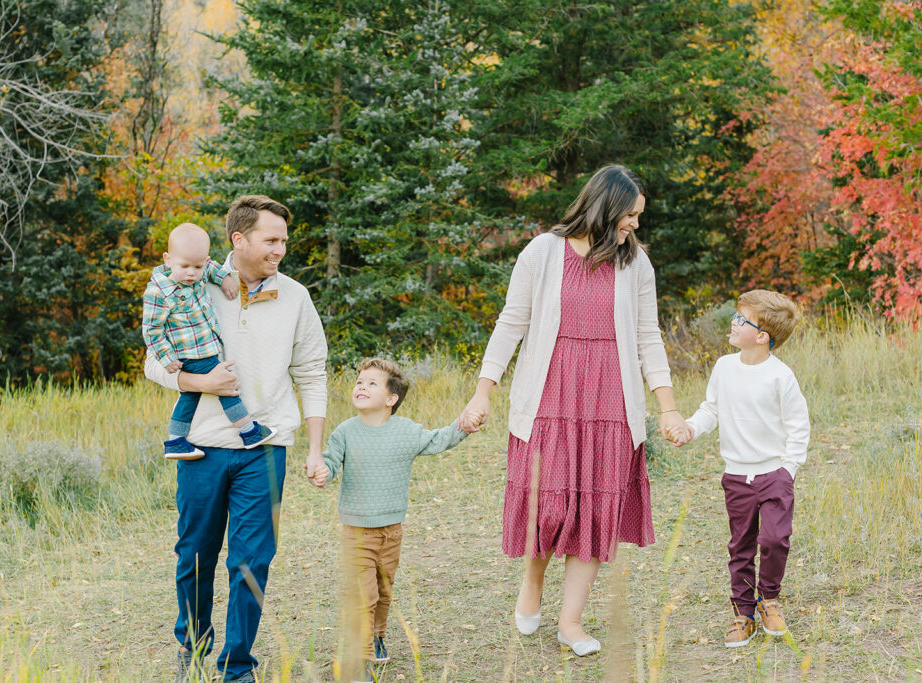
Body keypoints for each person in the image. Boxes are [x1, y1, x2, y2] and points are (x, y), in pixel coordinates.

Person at [459, 164, 688, 656]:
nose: (635, 225)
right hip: (549, 394)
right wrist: (483, 390)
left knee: (595, 508)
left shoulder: (636, 264)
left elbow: (649, 336)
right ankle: (532, 584)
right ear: (605, 208)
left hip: (610, 399)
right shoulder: (543, 251)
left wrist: (667, 408)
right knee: (549, 503)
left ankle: (571, 620)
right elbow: (511, 322)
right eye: (631, 215)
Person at [143, 196, 328, 682]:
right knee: (195, 554)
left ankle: (237, 666)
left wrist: (313, 447)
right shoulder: (191, 282)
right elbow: (151, 360)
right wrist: (199, 383)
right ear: (238, 240)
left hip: (265, 447)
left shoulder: (295, 297)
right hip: (202, 446)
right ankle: (194, 646)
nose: (280, 249)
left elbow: (311, 372)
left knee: (252, 561)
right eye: (271, 239)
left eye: (284, 240)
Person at [312, 358, 475, 683]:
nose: (361, 386)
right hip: (356, 531)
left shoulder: (406, 432)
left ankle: (377, 634)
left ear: (391, 399)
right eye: (360, 381)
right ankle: (361, 656)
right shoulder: (345, 432)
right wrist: (322, 471)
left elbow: (438, 439)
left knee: (384, 591)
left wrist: (464, 425)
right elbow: (329, 461)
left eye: (372, 383)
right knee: (364, 594)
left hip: (391, 530)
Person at [673, 290, 809, 648]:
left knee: (775, 539)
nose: (733, 323)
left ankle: (769, 599)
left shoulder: (781, 376)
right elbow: (711, 410)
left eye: (741, 320)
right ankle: (743, 613)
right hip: (737, 476)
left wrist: (788, 469)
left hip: (774, 475)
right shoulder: (723, 367)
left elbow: (798, 425)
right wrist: (690, 427)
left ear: (762, 335)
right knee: (742, 546)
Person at [142, 222, 276, 460]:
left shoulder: (199, 271)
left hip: (206, 347)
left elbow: (211, 266)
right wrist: (167, 358)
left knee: (190, 397)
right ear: (168, 259)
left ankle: (175, 442)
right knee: (226, 386)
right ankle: (249, 432)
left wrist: (223, 278)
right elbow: (152, 330)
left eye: (198, 266)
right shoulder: (159, 292)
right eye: (184, 266)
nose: (192, 273)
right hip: (190, 353)